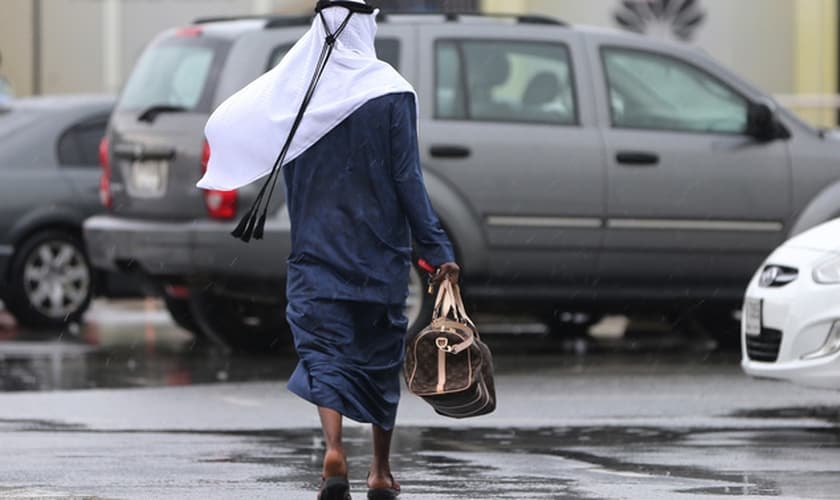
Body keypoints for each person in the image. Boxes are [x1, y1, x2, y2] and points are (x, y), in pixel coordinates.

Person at [196, 1, 460, 499]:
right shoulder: (392, 93)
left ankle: (334, 449)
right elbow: (409, 181)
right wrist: (435, 248)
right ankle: (380, 471)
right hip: (379, 255)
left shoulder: (298, 94)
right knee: (381, 359)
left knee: (324, 352)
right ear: (365, 27)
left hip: (317, 252)